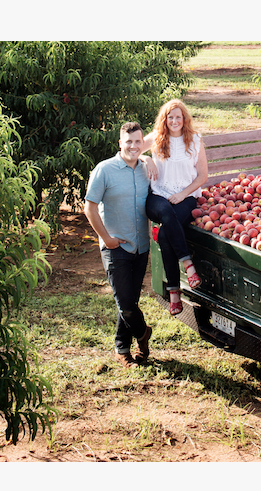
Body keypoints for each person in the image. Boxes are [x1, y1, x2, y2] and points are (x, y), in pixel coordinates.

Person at [85, 122, 153, 368]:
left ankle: (121, 349)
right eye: (129, 142)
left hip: (141, 247)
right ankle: (144, 334)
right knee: (125, 303)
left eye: (138, 142)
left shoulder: (146, 169)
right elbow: (89, 208)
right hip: (115, 247)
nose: (133, 146)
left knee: (129, 302)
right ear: (120, 143)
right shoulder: (104, 170)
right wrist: (106, 238)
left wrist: (149, 160)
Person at [142, 99, 208, 315]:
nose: (175, 121)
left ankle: (174, 294)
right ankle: (188, 265)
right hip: (158, 196)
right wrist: (145, 159)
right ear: (165, 119)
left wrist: (182, 194)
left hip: (186, 197)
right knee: (166, 213)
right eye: (170, 117)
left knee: (163, 236)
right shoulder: (156, 138)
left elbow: (202, 176)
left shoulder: (195, 141)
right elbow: (127, 148)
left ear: (184, 119)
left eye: (178, 117)